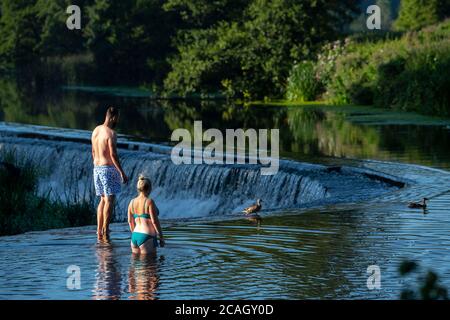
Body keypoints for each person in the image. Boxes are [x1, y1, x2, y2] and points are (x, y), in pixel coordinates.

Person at [91, 107, 128, 238]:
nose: (118, 120)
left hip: (97, 168)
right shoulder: (111, 134)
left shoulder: (96, 130)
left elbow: (93, 152)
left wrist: (96, 165)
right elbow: (113, 154)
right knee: (109, 200)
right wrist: (122, 172)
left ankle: (99, 230)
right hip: (108, 169)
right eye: (117, 117)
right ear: (112, 117)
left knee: (102, 200)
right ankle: (106, 230)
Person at [128, 175, 165, 255]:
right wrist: (161, 237)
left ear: (138, 188)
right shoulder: (149, 202)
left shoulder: (131, 202)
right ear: (149, 188)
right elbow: (154, 221)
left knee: (135, 264)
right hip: (147, 236)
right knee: (150, 264)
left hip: (134, 236)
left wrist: (135, 234)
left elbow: (130, 221)